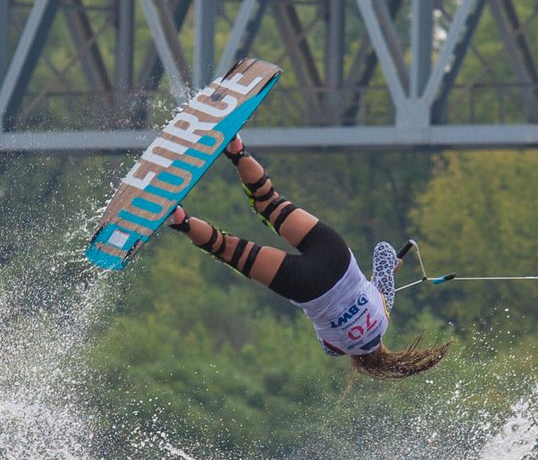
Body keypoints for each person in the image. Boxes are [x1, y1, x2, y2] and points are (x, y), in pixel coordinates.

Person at [165, 136, 450, 380]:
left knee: (268, 201)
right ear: (358, 362)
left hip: (336, 255)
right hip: (306, 286)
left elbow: (383, 252)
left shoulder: (384, 316)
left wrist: (390, 268)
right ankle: (179, 218)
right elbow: (326, 330)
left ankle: (236, 149)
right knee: (226, 248)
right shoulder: (334, 349)